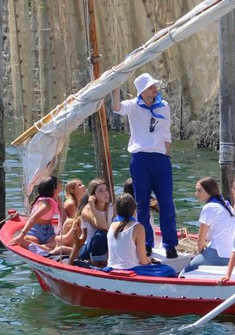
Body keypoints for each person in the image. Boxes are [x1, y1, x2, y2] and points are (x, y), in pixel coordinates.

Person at [112, 73, 178, 258]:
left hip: (161, 159)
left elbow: (166, 133)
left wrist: (167, 155)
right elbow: (117, 107)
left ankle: (170, 244)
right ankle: (146, 243)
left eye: (155, 86)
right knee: (141, 203)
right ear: (141, 91)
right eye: (150, 87)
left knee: (166, 202)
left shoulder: (164, 106)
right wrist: (116, 88)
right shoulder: (133, 105)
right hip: (140, 158)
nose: (155, 89)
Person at [106, 193, 172, 275]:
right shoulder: (138, 227)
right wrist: (148, 260)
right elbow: (142, 261)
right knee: (169, 270)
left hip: (112, 268)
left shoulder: (111, 225)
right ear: (134, 210)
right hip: (131, 270)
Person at [182, 178, 235, 272]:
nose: (196, 194)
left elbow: (201, 239)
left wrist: (200, 253)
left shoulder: (209, 208)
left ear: (209, 191)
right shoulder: (227, 205)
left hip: (217, 254)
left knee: (183, 274)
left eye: (199, 190)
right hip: (230, 256)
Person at [11, 175, 63, 250]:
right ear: (54, 190)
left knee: (62, 242)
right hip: (36, 232)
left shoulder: (55, 198)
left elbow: (62, 215)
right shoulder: (47, 205)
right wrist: (21, 236)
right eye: (59, 182)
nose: (61, 183)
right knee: (20, 240)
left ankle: (41, 247)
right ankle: (44, 248)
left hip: (49, 232)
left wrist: (61, 232)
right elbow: (33, 218)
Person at [72, 178, 114, 267]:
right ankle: (97, 263)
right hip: (87, 248)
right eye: (101, 191)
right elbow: (103, 227)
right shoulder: (87, 210)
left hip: (107, 246)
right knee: (101, 235)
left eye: (106, 190)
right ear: (93, 195)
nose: (105, 193)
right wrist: (93, 207)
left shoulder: (111, 207)